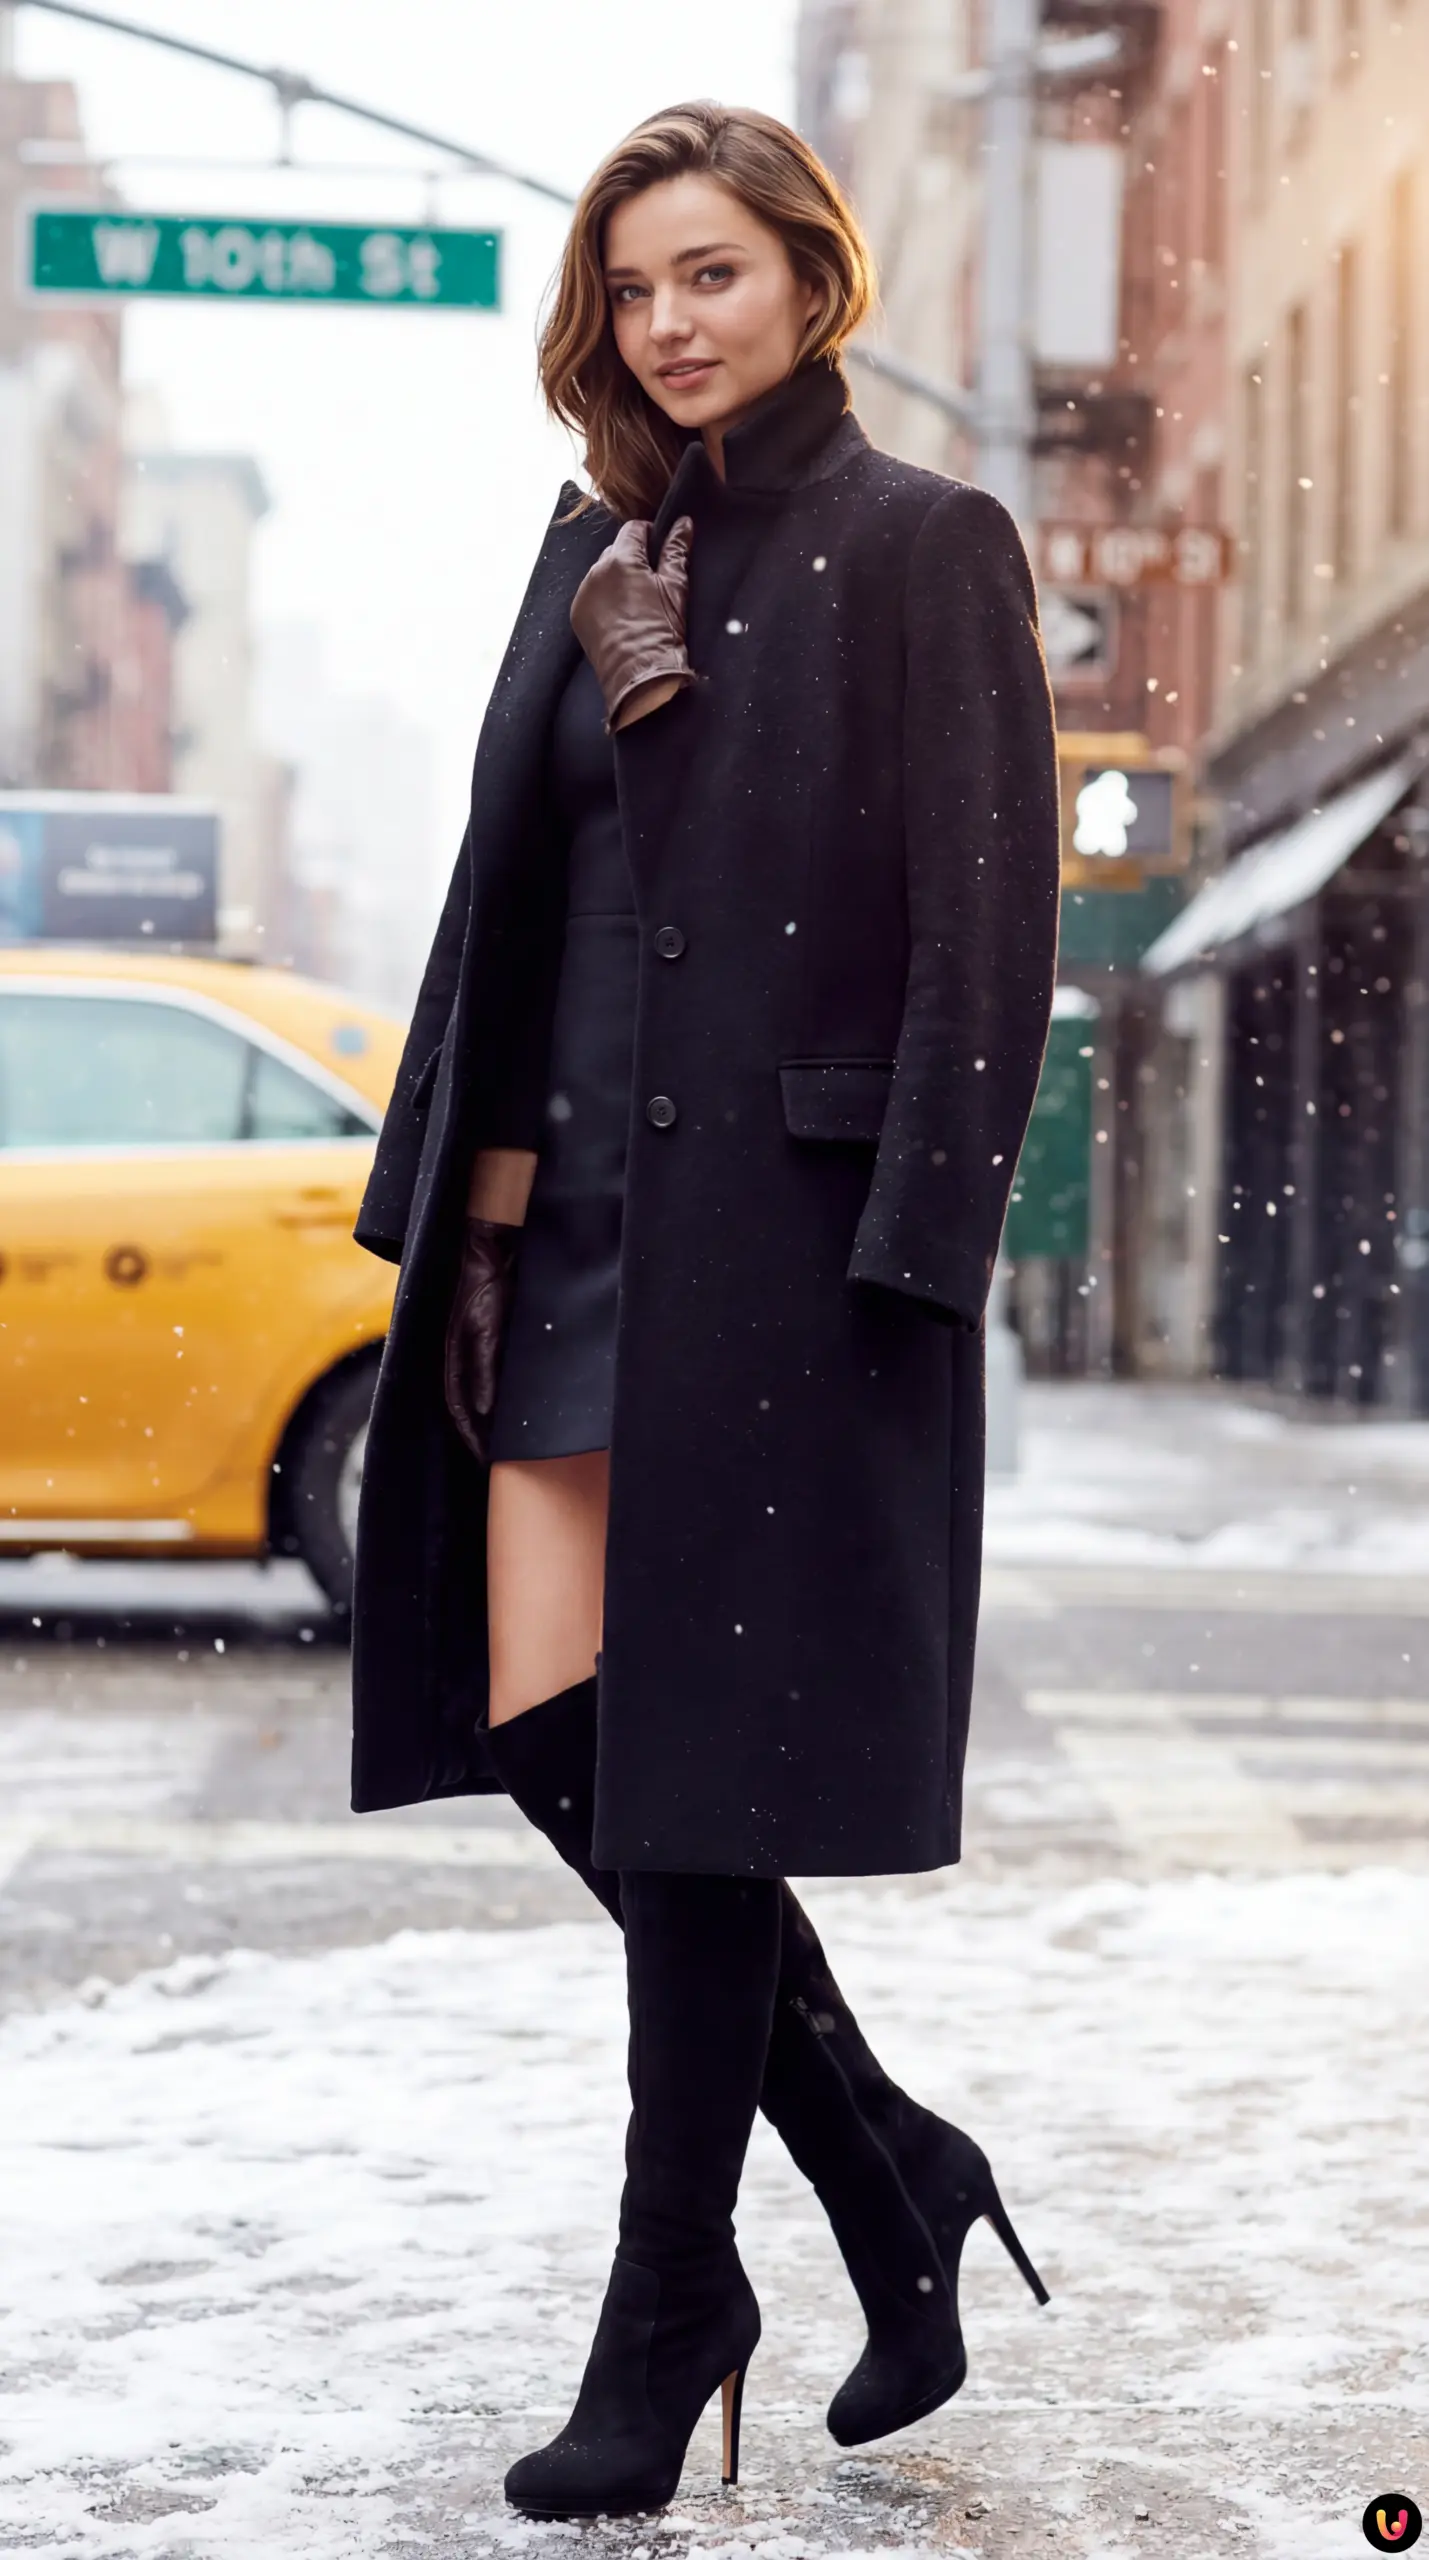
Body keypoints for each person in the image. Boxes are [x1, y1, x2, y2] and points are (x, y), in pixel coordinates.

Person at [351, 99, 1060, 2521]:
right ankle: (880, 2162)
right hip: (560, 1256)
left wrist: (920, 1263)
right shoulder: (589, 553)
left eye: (712, 274)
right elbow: (512, 903)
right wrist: (450, 1209)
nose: (670, 319)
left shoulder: (918, 545)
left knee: (695, 1782)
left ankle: (669, 2303)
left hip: (777, 1258)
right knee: (573, 1738)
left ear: (810, 280)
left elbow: (996, 932)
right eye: (637, 284)